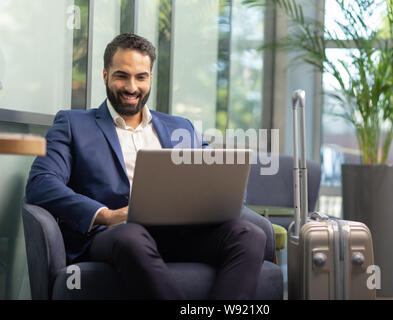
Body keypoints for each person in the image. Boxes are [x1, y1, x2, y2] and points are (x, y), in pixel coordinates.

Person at [25, 33, 266, 300]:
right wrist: (107, 215)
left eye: (141, 77)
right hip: (116, 235)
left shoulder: (181, 127)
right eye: (121, 76)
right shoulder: (73, 124)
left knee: (249, 235)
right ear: (105, 75)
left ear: (150, 78)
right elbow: (41, 183)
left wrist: (210, 206)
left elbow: (224, 183)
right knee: (131, 235)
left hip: (183, 232)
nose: (131, 87)